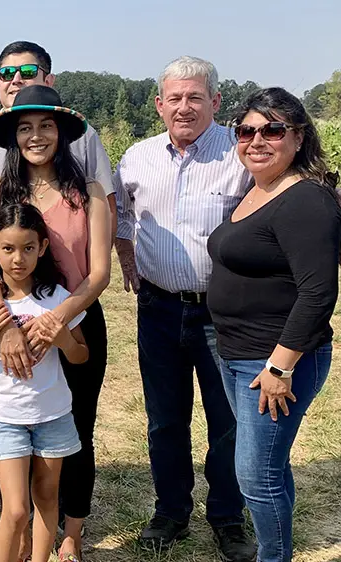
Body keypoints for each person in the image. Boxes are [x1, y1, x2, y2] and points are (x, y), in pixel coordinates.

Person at [113, 56, 256, 561]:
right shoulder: (136, 157)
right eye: (174, 98)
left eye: (195, 97)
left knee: (228, 421)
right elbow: (123, 217)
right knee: (165, 419)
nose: (184, 107)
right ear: (159, 105)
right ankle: (171, 511)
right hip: (158, 308)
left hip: (223, 312)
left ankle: (227, 516)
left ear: (215, 103)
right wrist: (128, 257)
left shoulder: (239, 156)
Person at [0, 85, 110, 561]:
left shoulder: (88, 192)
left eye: (46, 125)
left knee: (77, 428)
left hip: (72, 323)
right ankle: (19, 523)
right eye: (25, 127)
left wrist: (58, 318)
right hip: (11, 328)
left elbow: (98, 274)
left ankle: (70, 532)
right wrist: (8, 327)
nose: (36, 136)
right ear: (13, 137)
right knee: (15, 422)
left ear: (62, 132)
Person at [208, 87, 340, 562]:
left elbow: (319, 292)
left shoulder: (306, 199)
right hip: (238, 355)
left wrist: (280, 368)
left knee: (255, 477)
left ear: (298, 136)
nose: (257, 140)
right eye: (246, 130)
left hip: (274, 363)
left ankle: (273, 557)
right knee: (267, 465)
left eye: (273, 130)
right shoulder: (259, 189)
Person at [0, 203, 87, 562]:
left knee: (47, 498)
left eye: (28, 248)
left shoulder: (58, 298)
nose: (18, 259)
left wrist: (63, 339)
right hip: (6, 418)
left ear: (43, 248)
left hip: (54, 414)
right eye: (9, 249)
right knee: (15, 510)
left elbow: (81, 357)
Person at [0, 41, 117, 243]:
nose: (16, 80)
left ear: (49, 80)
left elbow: (107, 207)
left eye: (27, 72)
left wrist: (95, 264)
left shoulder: (83, 137)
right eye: (7, 73)